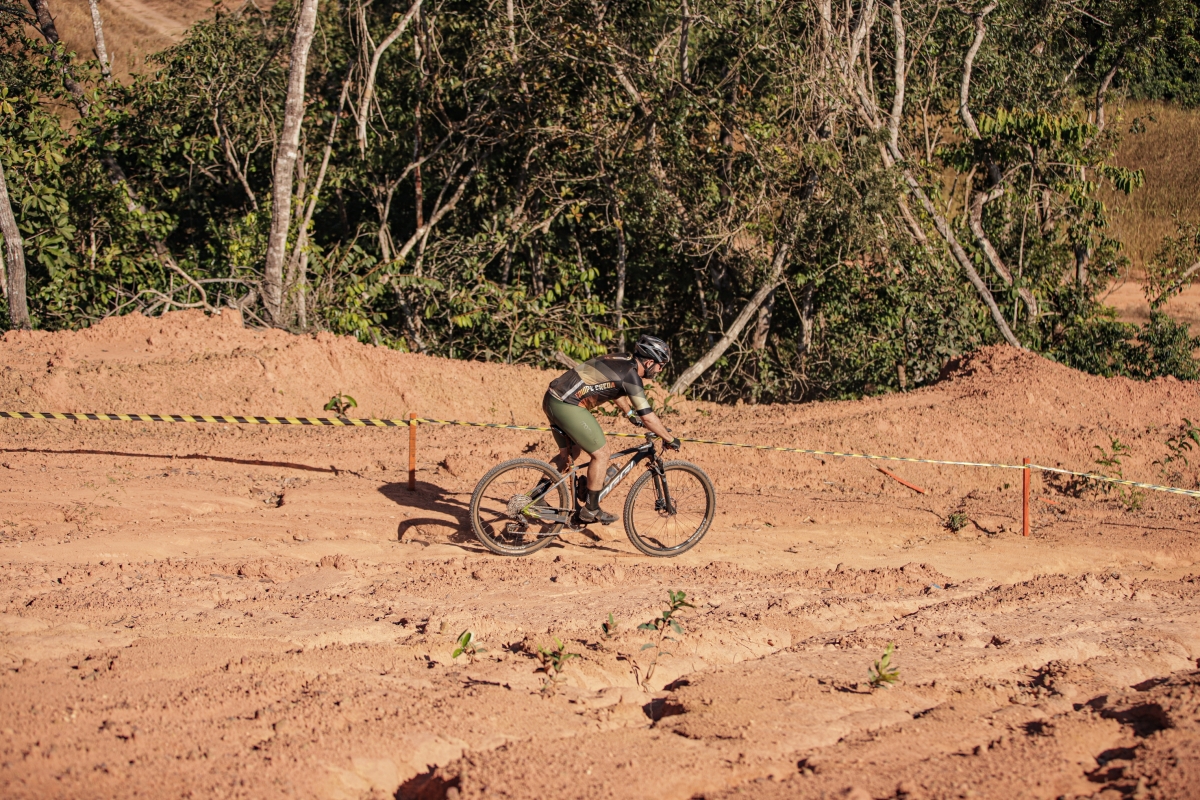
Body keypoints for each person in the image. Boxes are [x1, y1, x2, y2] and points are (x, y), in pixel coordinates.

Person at [543, 335, 680, 524]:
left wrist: (629, 413)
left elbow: (616, 388)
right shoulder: (632, 376)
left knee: (569, 454)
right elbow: (648, 417)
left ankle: (536, 497)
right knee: (602, 453)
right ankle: (591, 510)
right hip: (567, 404)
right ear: (649, 362)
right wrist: (669, 438)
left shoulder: (622, 359)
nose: (660, 370)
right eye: (660, 365)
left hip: (552, 399)